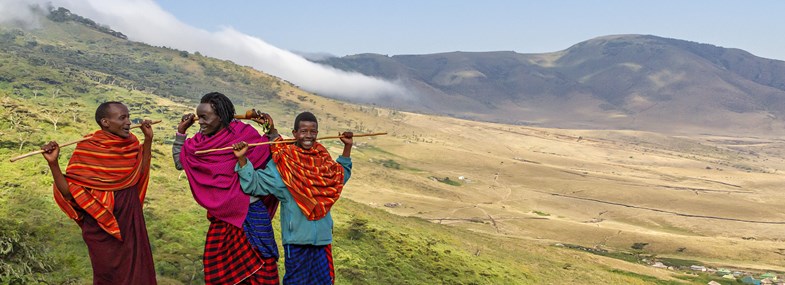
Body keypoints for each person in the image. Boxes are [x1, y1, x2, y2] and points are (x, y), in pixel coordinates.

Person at [41, 101, 157, 284]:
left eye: (128, 116)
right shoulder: (88, 147)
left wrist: (148, 140)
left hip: (130, 221)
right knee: (107, 277)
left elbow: (140, 175)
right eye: (122, 118)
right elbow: (71, 193)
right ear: (105, 122)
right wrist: (53, 164)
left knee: (138, 275)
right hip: (101, 226)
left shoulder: (132, 144)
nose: (128, 122)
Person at [233, 111, 353, 285]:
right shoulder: (284, 166)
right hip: (296, 242)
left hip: (323, 241)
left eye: (313, 132)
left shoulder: (323, 162)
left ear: (317, 134)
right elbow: (253, 184)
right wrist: (242, 159)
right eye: (303, 131)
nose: (308, 136)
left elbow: (340, 177)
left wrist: (347, 148)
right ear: (295, 133)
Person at [172, 92, 280, 285]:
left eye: (205, 117)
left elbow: (274, 151)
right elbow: (181, 162)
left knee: (263, 270)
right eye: (199, 117)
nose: (201, 122)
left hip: (251, 216)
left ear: (221, 116)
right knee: (222, 275)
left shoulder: (244, 134)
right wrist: (181, 133)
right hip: (222, 220)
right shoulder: (198, 143)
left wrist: (270, 130)